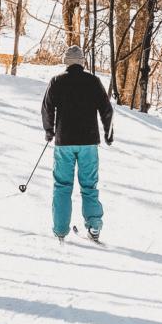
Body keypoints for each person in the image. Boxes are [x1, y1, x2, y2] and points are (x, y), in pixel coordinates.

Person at [40, 44, 114, 242]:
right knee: (89, 185)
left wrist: (49, 131)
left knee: (62, 185)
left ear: (66, 62)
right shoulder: (93, 81)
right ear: (82, 62)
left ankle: (60, 230)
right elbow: (107, 110)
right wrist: (108, 133)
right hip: (89, 143)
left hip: (64, 142)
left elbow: (47, 108)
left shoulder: (57, 81)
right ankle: (94, 225)